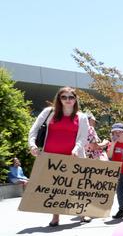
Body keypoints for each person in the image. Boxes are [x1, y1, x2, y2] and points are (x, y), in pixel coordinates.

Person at [28, 86, 89, 227]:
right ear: (59, 99)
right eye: (64, 97)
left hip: (73, 156)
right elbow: (34, 129)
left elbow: (83, 137)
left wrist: (76, 149)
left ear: (75, 100)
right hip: (51, 156)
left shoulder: (82, 117)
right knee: (54, 186)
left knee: (77, 185)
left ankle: (82, 213)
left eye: (71, 97)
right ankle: (55, 217)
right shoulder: (49, 112)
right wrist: (32, 145)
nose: (68, 100)